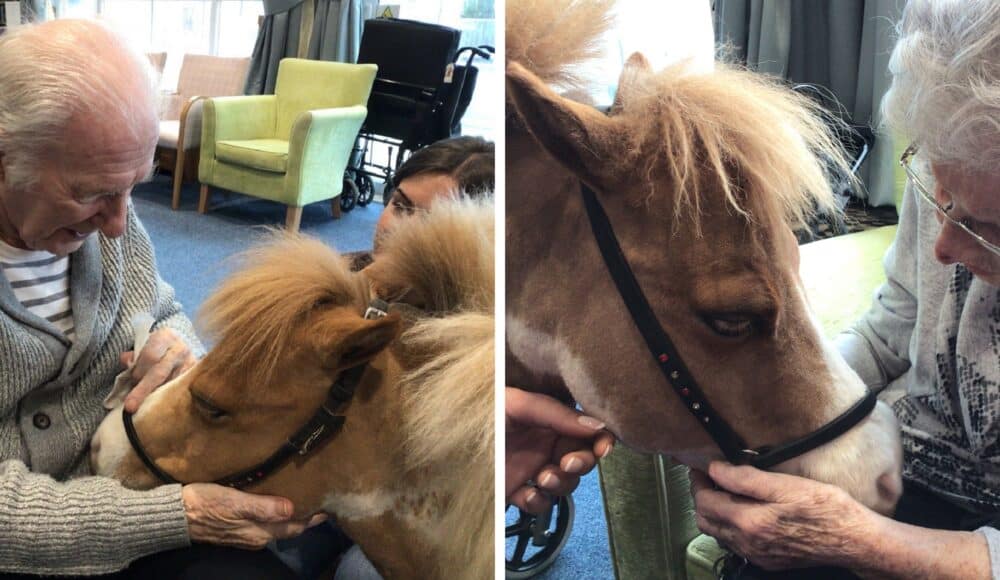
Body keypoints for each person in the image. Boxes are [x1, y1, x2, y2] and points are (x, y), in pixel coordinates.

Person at [690, 1, 1000, 578]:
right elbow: (891, 325)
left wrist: (859, 542)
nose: (944, 249)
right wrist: (791, 402)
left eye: (989, 228)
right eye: (940, 197)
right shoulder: (959, 156)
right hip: (911, 463)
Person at [0, 20, 318, 578]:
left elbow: (160, 307)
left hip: (138, 482)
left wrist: (173, 345)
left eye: (134, 187)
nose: (120, 225)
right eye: (95, 193)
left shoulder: (104, 219)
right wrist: (178, 516)